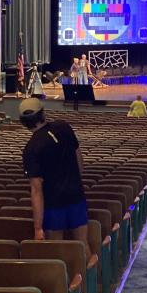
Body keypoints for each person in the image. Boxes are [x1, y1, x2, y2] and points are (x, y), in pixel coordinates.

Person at [19, 99, 89, 251]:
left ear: (23, 122)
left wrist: (38, 228)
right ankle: (92, 274)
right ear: (43, 114)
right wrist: (76, 181)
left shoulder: (30, 150)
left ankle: (65, 275)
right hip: (76, 196)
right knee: (83, 244)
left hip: (53, 205)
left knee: (58, 249)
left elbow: (36, 190)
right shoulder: (63, 127)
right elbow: (79, 159)